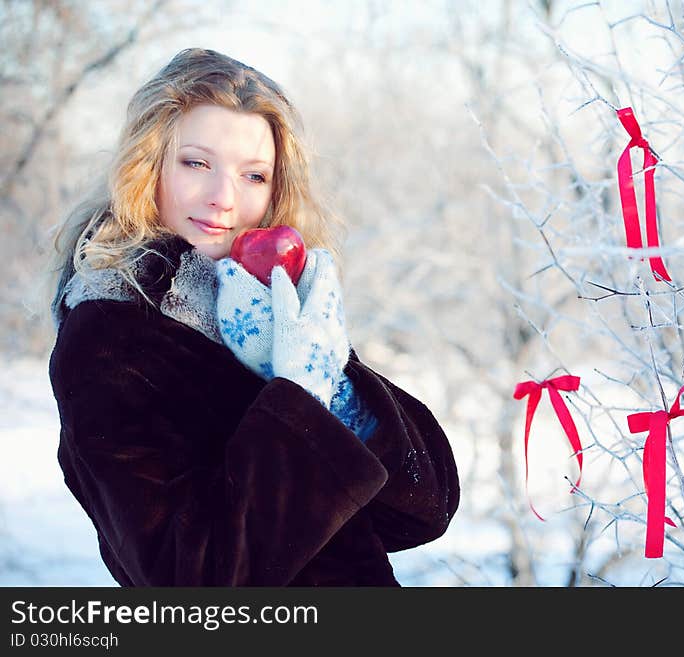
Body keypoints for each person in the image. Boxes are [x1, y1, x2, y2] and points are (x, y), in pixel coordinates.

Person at [46, 48, 459, 586]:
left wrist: (333, 387)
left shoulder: (272, 310)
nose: (223, 198)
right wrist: (297, 397)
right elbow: (191, 580)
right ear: (148, 169)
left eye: (254, 176)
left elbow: (422, 509)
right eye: (196, 163)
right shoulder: (109, 337)